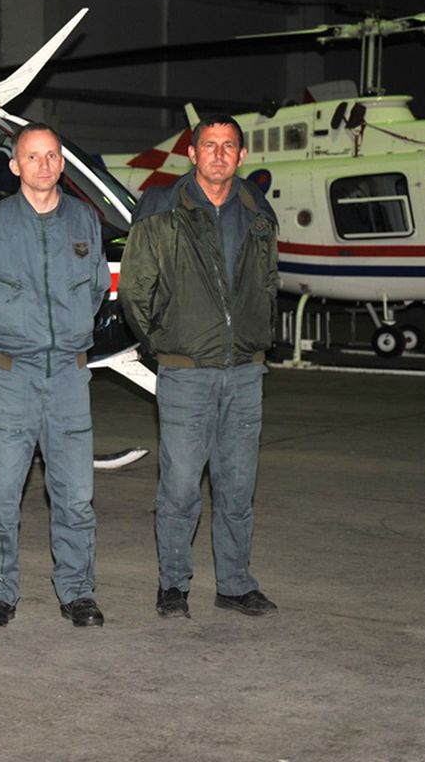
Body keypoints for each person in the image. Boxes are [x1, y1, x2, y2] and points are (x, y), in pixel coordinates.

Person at [119, 114, 280, 620]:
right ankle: (174, 585)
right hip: (186, 370)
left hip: (245, 372)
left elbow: (269, 283)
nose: (218, 154)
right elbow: (134, 290)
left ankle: (234, 584)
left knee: (237, 486)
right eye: (208, 145)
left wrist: (255, 341)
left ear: (242, 155)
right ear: (191, 154)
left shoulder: (257, 209)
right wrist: (164, 343)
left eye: (228, 146)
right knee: (182, 485)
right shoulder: (161, 207)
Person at [0, 123, 110, 629]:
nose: (43, 165)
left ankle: (77, 591)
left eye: (52, 156)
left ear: (61, 164)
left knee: (75, 496)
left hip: (67, 376)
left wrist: (64, 337)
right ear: (15, 166)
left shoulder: (84, 221)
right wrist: (11, 337)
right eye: (33, 157)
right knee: (1, 495)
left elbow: (94, 291)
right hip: (9, 379)